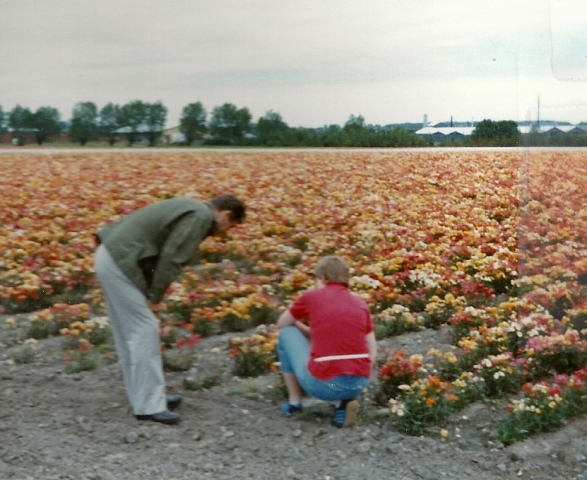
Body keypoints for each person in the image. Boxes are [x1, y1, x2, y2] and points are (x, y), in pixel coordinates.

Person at [93, 194, 246, 424]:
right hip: (121, 262)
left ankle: (144, 397)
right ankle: (149, 405)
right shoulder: (200, 217)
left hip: (114, 256)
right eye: (230, 226)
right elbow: (173, 256)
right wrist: (156, 297)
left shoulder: (192, 207)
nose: (225, 232)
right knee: (144, 330)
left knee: (130, 331)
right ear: (225, 214)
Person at [276, 255, 377, 428]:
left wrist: (298, 324)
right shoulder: (360, 304)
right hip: (359, 384)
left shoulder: (311, 298)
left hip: (326, 385)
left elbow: (282, 323)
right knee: (340, 369)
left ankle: (294, 402)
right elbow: (372, 351)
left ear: (322, 278)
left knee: (286, 334)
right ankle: (342, 404)